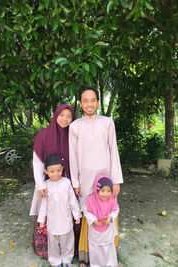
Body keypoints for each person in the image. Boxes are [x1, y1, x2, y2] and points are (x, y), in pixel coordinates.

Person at [69, 86, 123, 266]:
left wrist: (116, 180)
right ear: (80, 103)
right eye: (85, 100)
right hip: (85, 179)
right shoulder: (75, 126)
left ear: (98, 102)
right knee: (89, 215)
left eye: (93, 100)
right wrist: (75, 182)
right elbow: (73, 156)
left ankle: (110, 256)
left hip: (106, 178)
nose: (89, 104)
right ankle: (87, 257)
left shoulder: (107, 122)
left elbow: (113, 151)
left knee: (107, 211)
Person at [29, 104, 74, 259]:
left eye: (69, 116)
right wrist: (40, 184)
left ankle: (67, 250)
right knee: (45, 211)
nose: (65, 119)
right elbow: (37, 161)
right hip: (47, 184)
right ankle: (45, 249)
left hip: (66, 182)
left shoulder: (73, 134)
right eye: (62, 115)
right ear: (55, 115)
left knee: (66, 211)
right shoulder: (43, 135)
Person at [37, 154, 82, 267]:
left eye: (58, 170)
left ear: (62, 169)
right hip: (53, 220)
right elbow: (43, 204)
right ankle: (55, 261)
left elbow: (72, 200)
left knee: (68, 241)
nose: (55, 173)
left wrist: (76, 215)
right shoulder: (46, 185)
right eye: (52, 171)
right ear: (46, 171)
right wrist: (42, 219)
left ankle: (67, 260)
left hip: (65, 218)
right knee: (53, 243)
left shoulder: (66, 182)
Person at [83, 175, 119, 267]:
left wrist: (110, 218)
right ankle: (96, 265)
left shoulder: (111, 200)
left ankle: (110, 264)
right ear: (97, 189)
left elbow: (115, 210)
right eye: (102, 191)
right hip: (95, 231)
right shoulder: (91, 200)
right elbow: (86, 211)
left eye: (108, 191)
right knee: (95, 249)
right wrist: (94, 220)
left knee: (108, 248)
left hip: (107, 230)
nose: (105, 194)